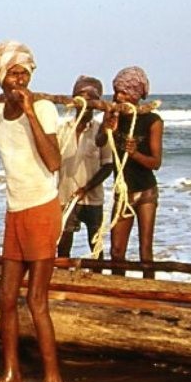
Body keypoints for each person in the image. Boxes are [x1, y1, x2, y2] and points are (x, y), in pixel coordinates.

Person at [0, 40, 65, 382]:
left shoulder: (43, 108)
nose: (19, 78)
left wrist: (29, 112)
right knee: (6, 295)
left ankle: (54, 381)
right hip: (14, 209)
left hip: (42, 207)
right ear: (0, 77)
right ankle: (12, 374)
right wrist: (5, 101)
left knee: (36, 300)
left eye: (24, 72)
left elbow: (54, 162)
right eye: (12, 73)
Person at [97, 66, 163, 278]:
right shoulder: (115, 115)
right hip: (123, 192)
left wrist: (134, 154)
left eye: (123, 92)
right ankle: (120, 294)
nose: (118, 96)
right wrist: (105, 125)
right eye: (116, 91)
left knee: (145, 250)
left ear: (135, 94)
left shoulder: (153, 121)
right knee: (117, 251)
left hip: (146, 192)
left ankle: (147, 296)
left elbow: (155, 163)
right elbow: (99, 142)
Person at [56, 75, 113, 258]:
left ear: (97, 102)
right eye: (81, 97)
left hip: (92, 199)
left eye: (91, 98)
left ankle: (98, 280)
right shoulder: (62, 128)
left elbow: (107, 166)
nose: (85, 102)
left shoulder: (101, 131)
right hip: (65, 197)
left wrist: (86, 188)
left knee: (95, 245)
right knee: (63, 245)